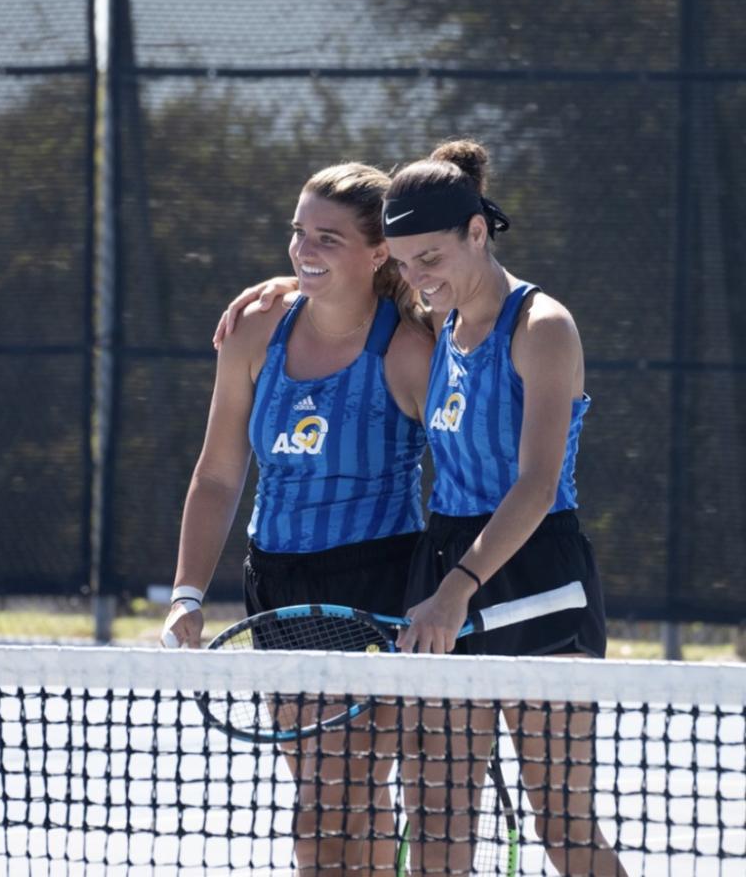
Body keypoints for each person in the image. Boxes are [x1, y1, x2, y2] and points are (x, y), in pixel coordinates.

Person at [215, 141, 623, 875]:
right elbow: (351, 286)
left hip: (536, 578)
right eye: (404, 263)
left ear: (478, 232)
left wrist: (454, 593)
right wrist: (293, 280)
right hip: (441, 580)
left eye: (429, 258)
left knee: (563, 827)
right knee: (435, 837)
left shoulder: (543, 328)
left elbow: (536, 483)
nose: (417, 277)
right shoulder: (441, 326)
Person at [163, 163, 432, 876]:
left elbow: (464, 480)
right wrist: (187, 591)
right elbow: (218, 472)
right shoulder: (256, 330)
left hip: (375, 586)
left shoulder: (409, 351)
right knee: (317, 791)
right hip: (276, 587)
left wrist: (453, 590)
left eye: (328, 238)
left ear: (380, 252)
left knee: (344, 791)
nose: (304, 250)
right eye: (298, 233)